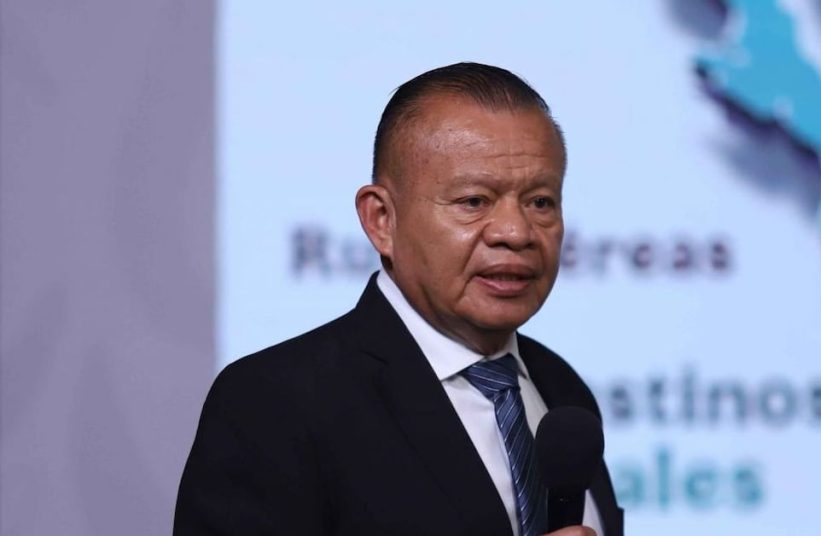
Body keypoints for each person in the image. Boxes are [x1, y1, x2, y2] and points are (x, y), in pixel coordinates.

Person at [174, 62, 623, 536]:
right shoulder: (274, 402)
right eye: (474, 201)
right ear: (381, 221)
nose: (516, 232)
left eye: (540, 202)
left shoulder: (561, 390)